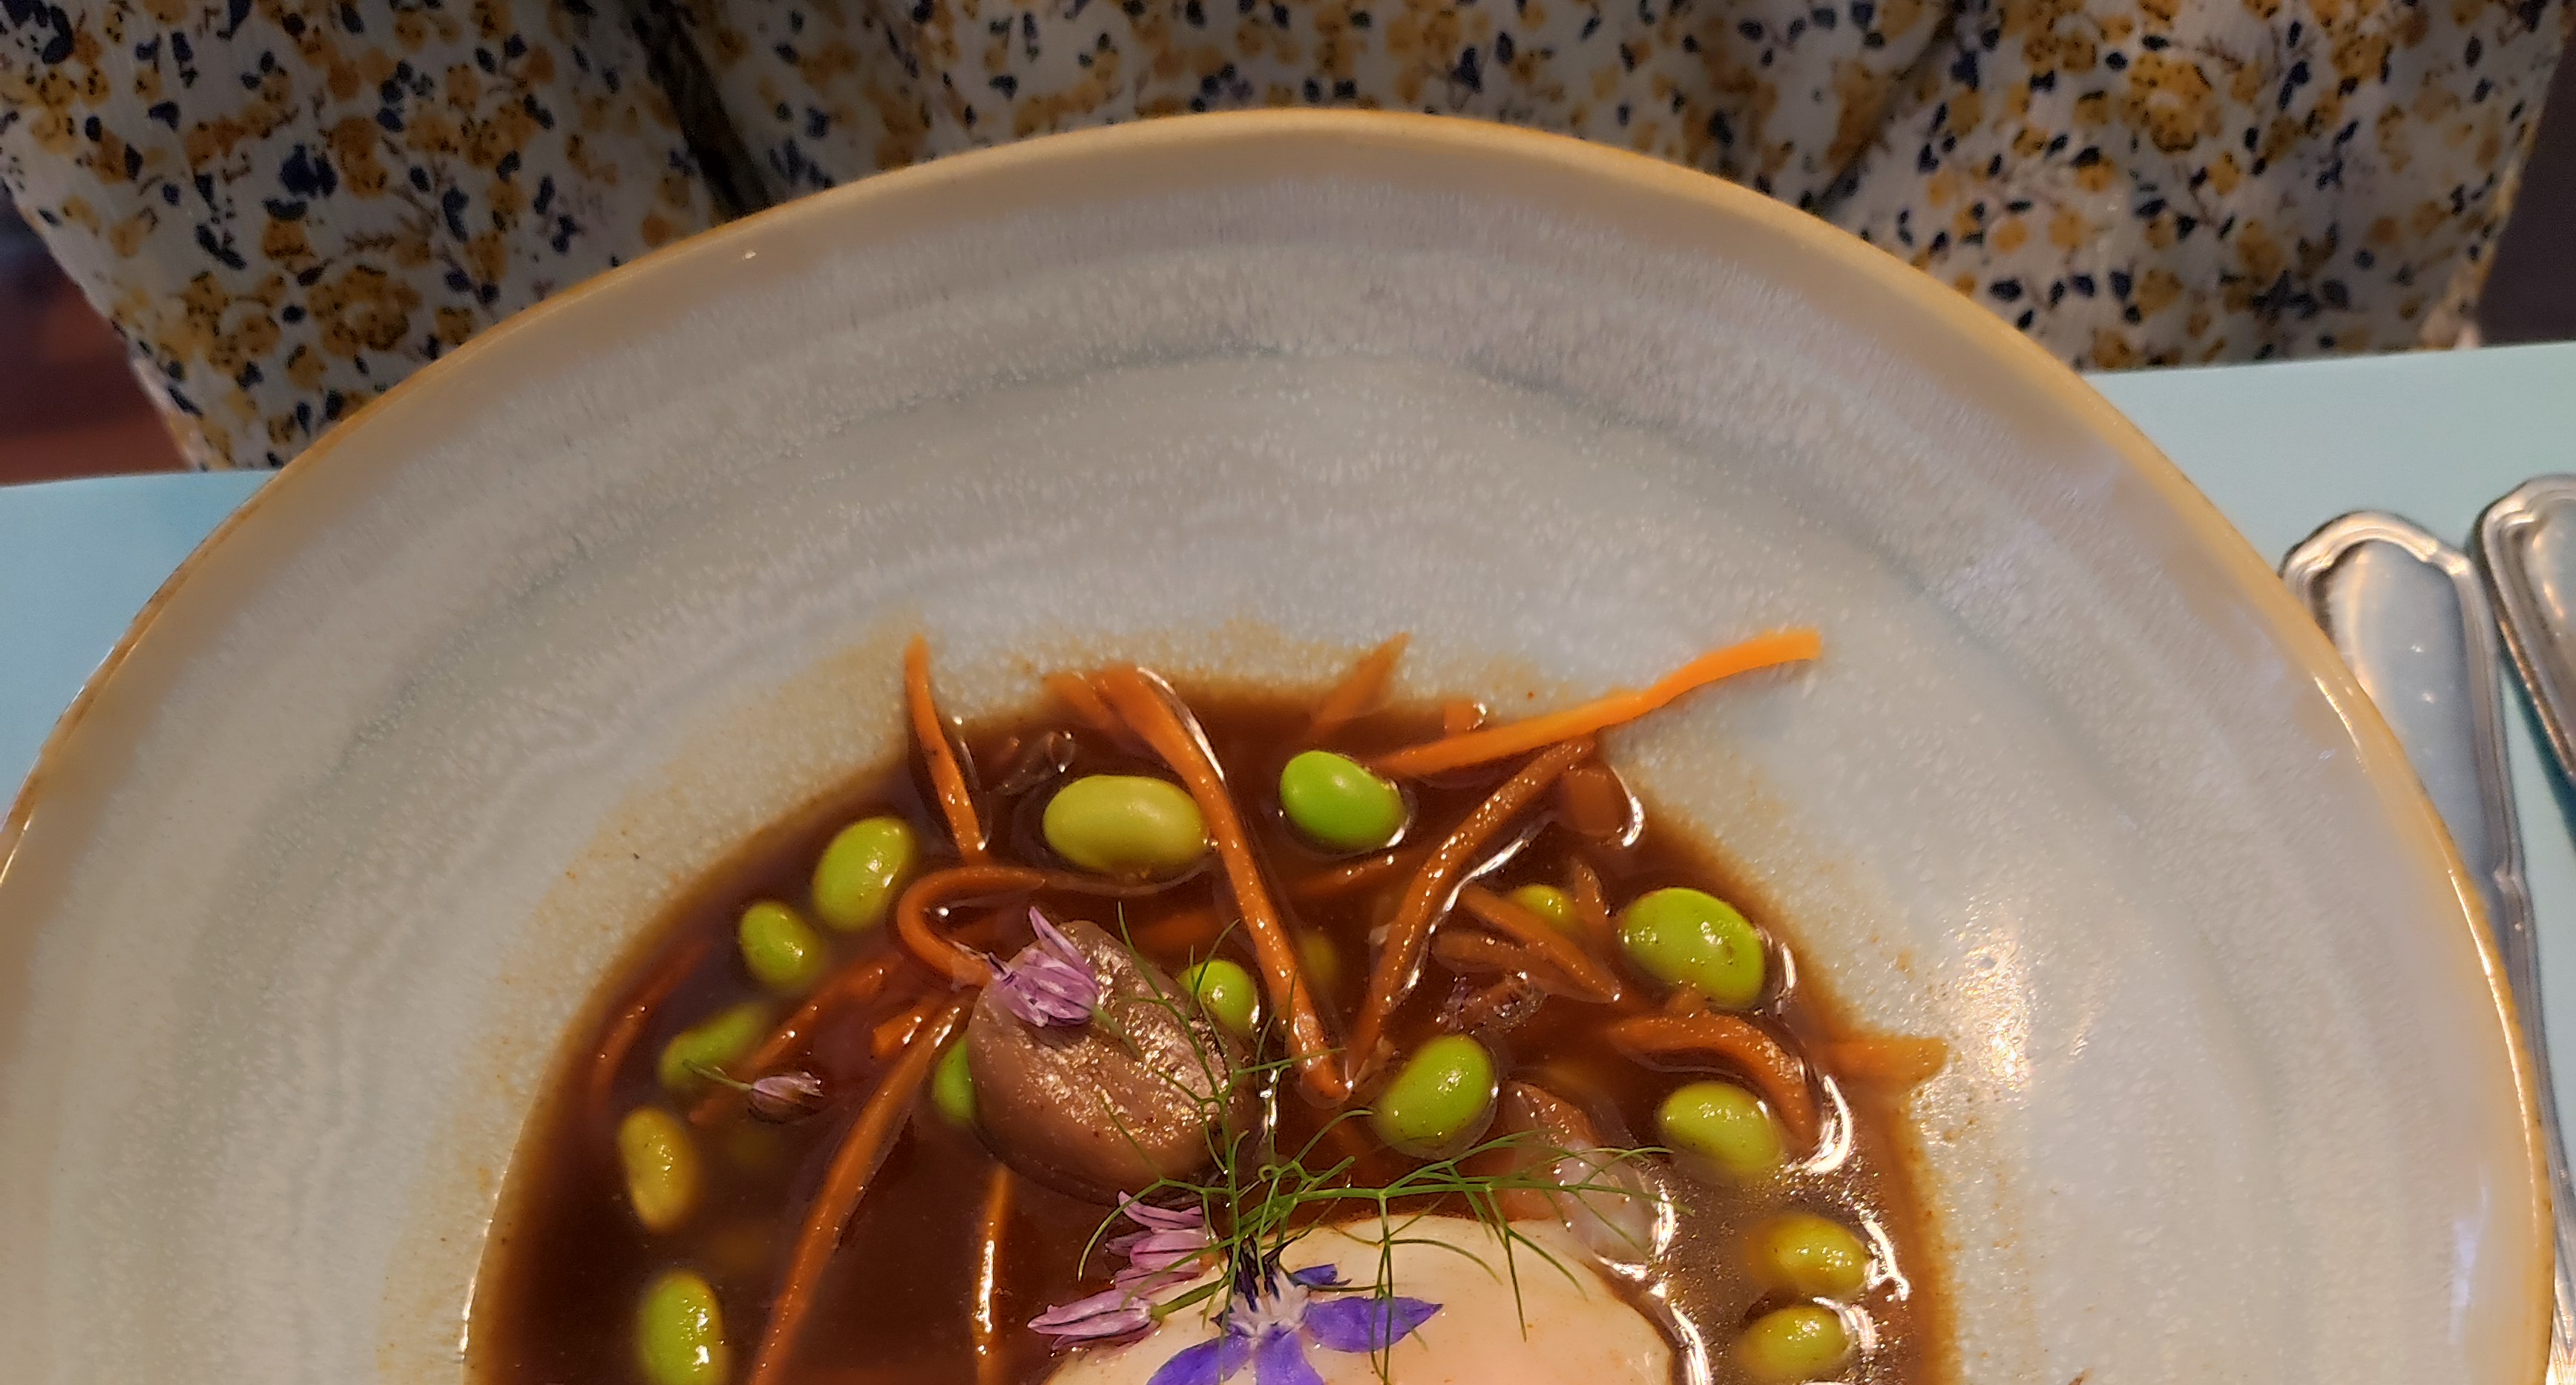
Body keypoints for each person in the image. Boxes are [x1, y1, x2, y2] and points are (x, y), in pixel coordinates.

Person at [1, 0, 2564, 468]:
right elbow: (322, 141)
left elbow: (2222, 90)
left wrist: (1894, 457)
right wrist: (687, 510)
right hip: (811, 281)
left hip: (1917, 242)